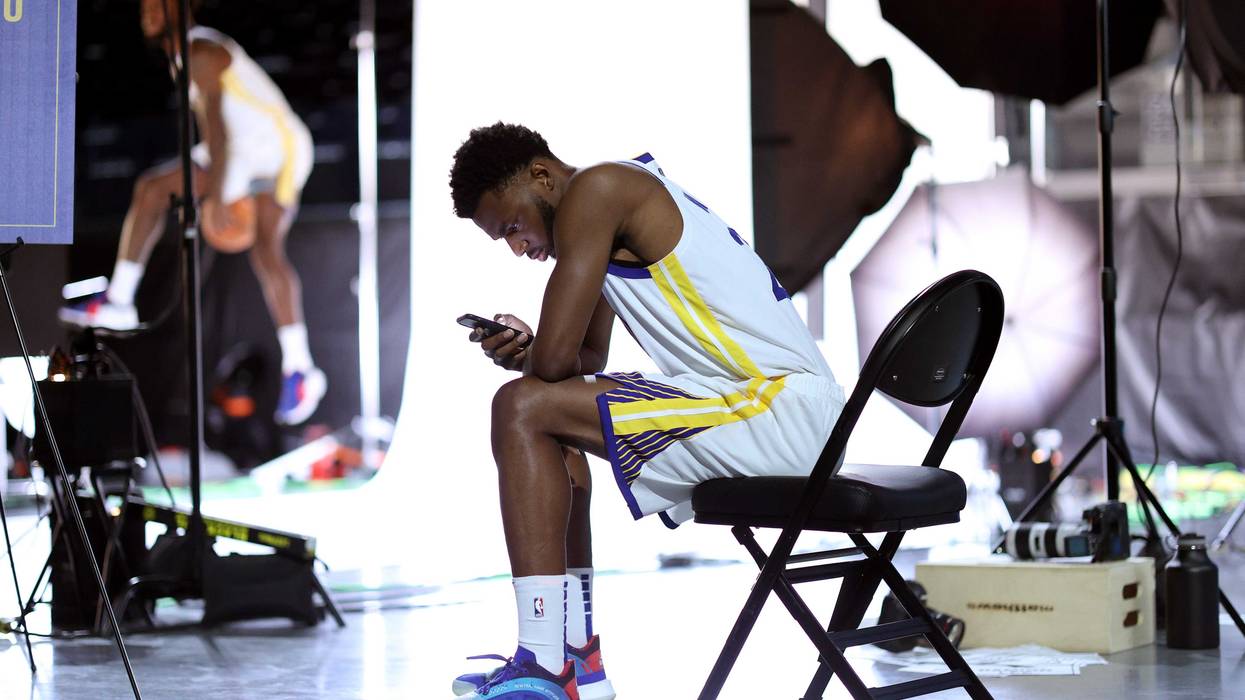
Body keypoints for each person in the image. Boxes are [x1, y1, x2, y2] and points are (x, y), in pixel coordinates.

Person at [448, 123, 845, 700]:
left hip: (779, 411)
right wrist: (529, 353)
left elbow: (554, 362)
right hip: (773, 408)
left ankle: (544, 661)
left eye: (513, 227)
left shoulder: (597, 191)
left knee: (520, 406)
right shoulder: (609, 203)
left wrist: (531, 354)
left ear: (541, 176)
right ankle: (577, 658)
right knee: (545, 414)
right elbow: (583, 360)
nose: (518, 248)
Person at [59, 0, 325, 425]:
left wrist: (216, 195)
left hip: (275, 148)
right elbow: (212, 132)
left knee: (266, 251)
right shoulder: (180, 58)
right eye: (143, 6)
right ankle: (121, 300)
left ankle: (302, 368)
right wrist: (216, 184)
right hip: (236, 150)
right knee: (152, 189)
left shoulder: (202, 50)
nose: (148, 12)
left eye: (158, 4)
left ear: (183, 8)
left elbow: (216, 128)